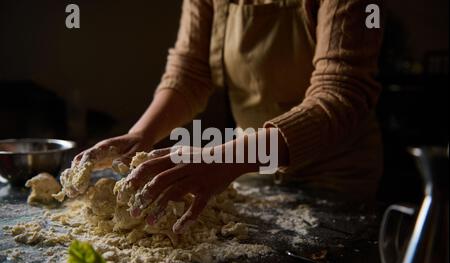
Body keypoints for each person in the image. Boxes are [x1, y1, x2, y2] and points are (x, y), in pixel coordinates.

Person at [75, 0, 384, 234]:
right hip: (247, 172)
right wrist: (140, 135)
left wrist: (223, 159)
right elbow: (190, 72)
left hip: (333, 179)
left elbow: (340, 95)